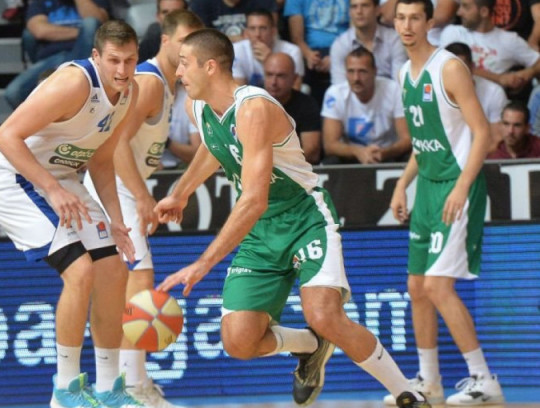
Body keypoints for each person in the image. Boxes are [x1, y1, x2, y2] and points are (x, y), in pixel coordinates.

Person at [155, 28, 431, 408]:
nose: (178, 71)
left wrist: (203, 263)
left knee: (324, 314)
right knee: (238, 341)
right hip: (262, 231)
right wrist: (180, 192)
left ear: (211, 66)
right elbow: (214, 145)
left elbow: (254, 200)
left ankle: (407, 393)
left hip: (304, 217)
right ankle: (309, 346)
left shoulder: (254, 109)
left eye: (185, 63)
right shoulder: (197, 107)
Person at [0, 20, 141, 408]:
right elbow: (6, 136)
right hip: (15, 178)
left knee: (113, 270)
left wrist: (116, 220)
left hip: (61, 177)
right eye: (114, 60)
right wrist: (52, 190)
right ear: (96, 56)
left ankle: (108, 390)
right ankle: (65, 391)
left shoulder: (129, 92)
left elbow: (101, 160)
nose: (122, 70)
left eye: (130, 60)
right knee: (80, 271)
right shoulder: (74, 83)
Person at [387, 0, 505, 405]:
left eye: (414, 18)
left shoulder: (449, 68)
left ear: (429, 22)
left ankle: (483, 379)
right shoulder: (403, 73)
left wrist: (461, 186)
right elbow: (424, 142)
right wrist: (402, 184)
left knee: (438, 286)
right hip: (427, 186)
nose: (407, 25)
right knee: (416, 286)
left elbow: (483, 132)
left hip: (457, 185)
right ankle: (428, 381)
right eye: (401, 18)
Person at [84, 10, 203, 407]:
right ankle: (131, 385)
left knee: (125, 287)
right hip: (112, 188)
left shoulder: (169, 87)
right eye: (182, 41)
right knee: (140, 282)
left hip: (119, 187)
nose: (187, 50)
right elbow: (115, 145)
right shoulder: (151, 82)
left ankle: (126, 381)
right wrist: (142, 197)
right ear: (165, 40)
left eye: (194, 43)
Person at [4, 0, 109, 108]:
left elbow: (98, 25)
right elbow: (40, 31)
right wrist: (82, 33)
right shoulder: (41, 3)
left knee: (90, 23)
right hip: (53, 57)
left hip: (85, 56)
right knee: (14, 92)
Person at [321, 47, 411, 164]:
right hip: (351, 156)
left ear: (375, 71)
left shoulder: (394, 90)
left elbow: (407, 138)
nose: (356, 78)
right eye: (351, 71)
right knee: (331, 161)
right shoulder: (335, 93)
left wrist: (384, 153)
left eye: (362, 71)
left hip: (388, 154)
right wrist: (358, 152)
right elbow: (330, 145)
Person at [439, 0, 540, 98]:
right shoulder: (453, 33)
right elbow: (453, 66)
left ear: (484, 12)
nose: (459, 12)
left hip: (493, 101)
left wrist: (528, 72)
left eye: (466, 7)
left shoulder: (510, 40)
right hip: (453, 99)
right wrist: (499, 78)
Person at [445, 42, 509, 152]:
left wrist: (470, 160)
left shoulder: (494, 92)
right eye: (451, 69)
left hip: (483, 157)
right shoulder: (431, 93)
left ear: (472, 66)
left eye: (462, 67)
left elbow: (496, 141)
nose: (457, 73)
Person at [284, 0, 350, 104]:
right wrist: (308, 55)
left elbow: (356, 32)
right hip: (309, 51)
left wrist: (336, 56)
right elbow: (297, 38)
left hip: (344, 49)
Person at [329, 0, 407, 85]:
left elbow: (399, 84)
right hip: (354, 93)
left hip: (390, 93)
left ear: (377, 10)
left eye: (365, 6)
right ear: (349, 12)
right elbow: (339, 87)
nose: (359, 11)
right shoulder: (340, 45)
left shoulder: (395, 41)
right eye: (354, 7)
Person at [264, 52, 321, 164]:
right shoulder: (251, 102)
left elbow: (311, 151)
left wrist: (277, 164)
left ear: (294, 78)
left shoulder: (307, 104)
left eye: (281, 76)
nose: (273, 82)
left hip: (295, 168)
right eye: (269, 75)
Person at [232, 9, 304, 89]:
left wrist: (270, 60)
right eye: (252, 28)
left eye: (263, 28)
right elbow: (238, 91)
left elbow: (295, 88)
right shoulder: (236, 50)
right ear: (246, 32)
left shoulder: (292, 51)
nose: (257, 34)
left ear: (273, 31)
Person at [190, 0, 279, 42]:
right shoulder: (201, 3)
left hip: (255, 51)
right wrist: (238, 38)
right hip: (214, 53)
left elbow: (272, 33)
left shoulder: (264, 2)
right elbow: (199, 39)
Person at [161, 82, 202, 169]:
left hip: (178, 166)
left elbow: (197, 155)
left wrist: (167, 143)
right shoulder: (143, 97)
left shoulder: (190, 101)